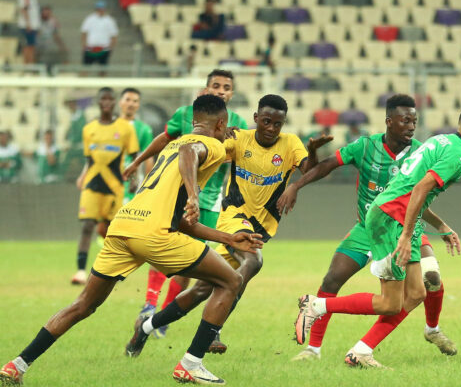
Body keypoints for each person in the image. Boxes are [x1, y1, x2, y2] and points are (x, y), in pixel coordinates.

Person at [0, 95, 264, 387]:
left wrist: (228, 238)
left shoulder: (171, 146)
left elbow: (182, 221)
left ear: (193, 120)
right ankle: (191, 364)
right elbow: (191, 151)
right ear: (222, 123)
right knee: (230, 281)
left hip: (123, 226)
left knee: (83, 305)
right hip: (154, 234)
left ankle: (17, 364)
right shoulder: (207, 145)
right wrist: (193, 194)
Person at [123, 94, 332, 358]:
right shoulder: (239, 139)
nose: (270, 128)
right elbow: (208, 149)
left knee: (201, 290)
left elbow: (308, 169)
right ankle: (213, 331)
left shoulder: (291, 143)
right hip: (233, 218)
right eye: (266, 121)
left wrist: (311, 153)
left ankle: (145, 327)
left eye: (277, 124)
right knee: (254, 261)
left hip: (262, 226)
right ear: (256, 118)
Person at [294, 105, 461, 369]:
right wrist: (407, 235)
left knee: (415, 293)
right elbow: (420, 190)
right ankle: (317, 306)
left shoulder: (440, 141)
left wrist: (440, 226)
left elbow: (409, 186)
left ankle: (361, 351)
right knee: (390, 303)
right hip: (392, 219)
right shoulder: (459, 156)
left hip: (394, 214)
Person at [124, 69, 248, 341]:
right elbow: (165, 139)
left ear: (232, 93)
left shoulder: (237, 123)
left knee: (193, 260)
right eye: (216, 85)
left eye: (226, 87)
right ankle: (149, 304)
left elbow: (239, 158)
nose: (221, 90)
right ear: (206, 88)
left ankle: (163, 317)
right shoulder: (186, 114)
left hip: (212, 201)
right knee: (163, 244)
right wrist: (136, 162)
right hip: (178, 195)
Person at [71, 88, 139, 286]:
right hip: (91, 185)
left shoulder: (125, 128)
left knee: (111, 230)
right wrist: (82, 176)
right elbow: (89, 158)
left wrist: (134, 179)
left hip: (114, 185)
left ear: (114, 102)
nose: (107, 102)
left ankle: (115, 269)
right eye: (103, 99)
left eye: (110, 99)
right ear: (98, 102)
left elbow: (134, 155)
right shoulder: (88, 129)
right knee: (87, 226)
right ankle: (81, 271)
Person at [118, 87, 154, 201]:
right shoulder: (111, 126)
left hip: (132, 183)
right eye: (127, 100)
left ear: (138, 105)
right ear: (120, 102)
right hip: (111, 180)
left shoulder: (144, 129)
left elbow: (149, 159)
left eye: (135, 101)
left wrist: (148, 186)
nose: (131, 104)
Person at [81, 1, 118, 69]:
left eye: (102, 9)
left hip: (104, 47)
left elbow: (114, 35)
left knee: (103, 69)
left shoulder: (110, 20)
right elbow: (84, 33)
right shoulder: (89, 19)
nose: (101, 11)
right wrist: (84, 44)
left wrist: (111, 47)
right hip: (90, 47)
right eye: (99, 9)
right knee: (85, 69)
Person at [37, 5, 67, 72]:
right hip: (38, 39)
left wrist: (62, 46)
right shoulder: (37, 20)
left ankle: (52, 68)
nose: (47, 14)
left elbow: (56, 32)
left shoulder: (52, 21)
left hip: (49, 40)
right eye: (45, 12)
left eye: (48, 13)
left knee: (55, 49)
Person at [17, 0, 41, 64]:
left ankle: (30, 65)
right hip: (27, 26)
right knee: (28, 47)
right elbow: (24, 9)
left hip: (33, 26)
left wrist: (37, 27)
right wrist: (28, 24)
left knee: (32, 46)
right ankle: (28, 66)